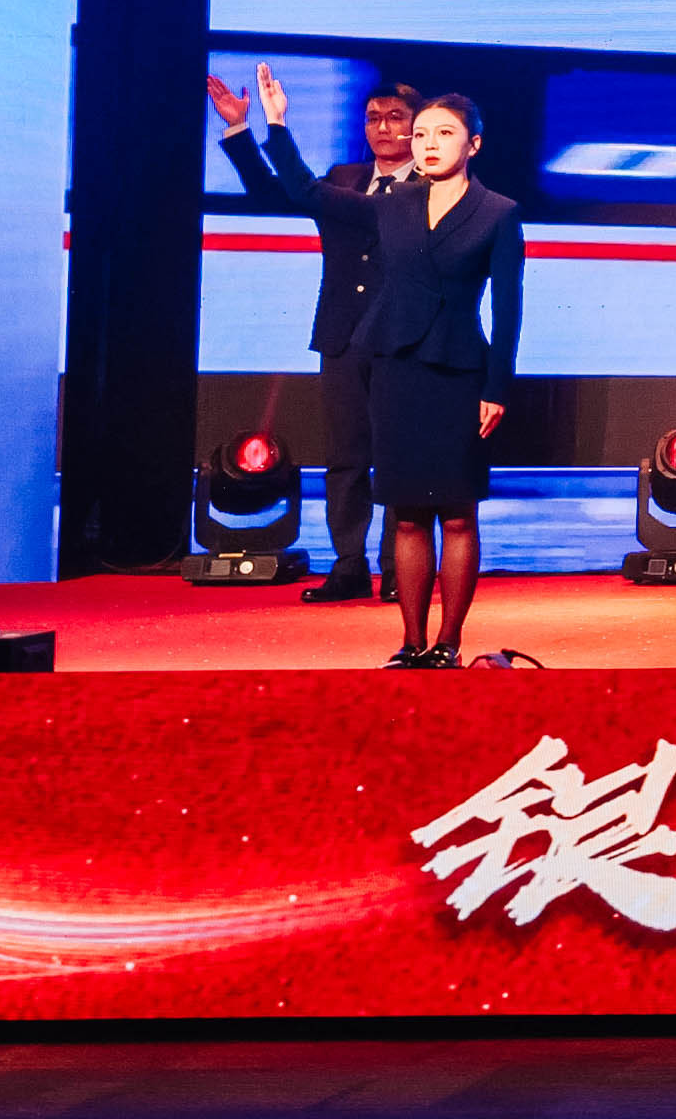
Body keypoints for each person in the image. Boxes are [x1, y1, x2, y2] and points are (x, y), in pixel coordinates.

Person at [205, 63, 421, 605]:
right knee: (346, 457)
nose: (383, 127)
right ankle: (349, 566)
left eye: (396, 117)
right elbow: (278, 195)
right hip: (342, 334)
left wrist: (279, 126)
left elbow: (306, 190)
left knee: (399, 456)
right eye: (373, 117)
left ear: (417, 127)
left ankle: (401, 568)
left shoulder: (428, 186)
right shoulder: (345, 176)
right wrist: (239, 129)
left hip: (403, 339)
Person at [353, 94, 522, 668]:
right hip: (396, 370)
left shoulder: (498, 212)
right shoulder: (390, 203)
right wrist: (265, 129)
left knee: (456, 512)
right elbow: (304, 194)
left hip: (459, 373)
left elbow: (509, 308)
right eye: (421, 133)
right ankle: (410, 642)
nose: (427, 143)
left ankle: (448, 643)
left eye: (444, 133)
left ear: (473, 144)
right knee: (405, 513)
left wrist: (496, 387)